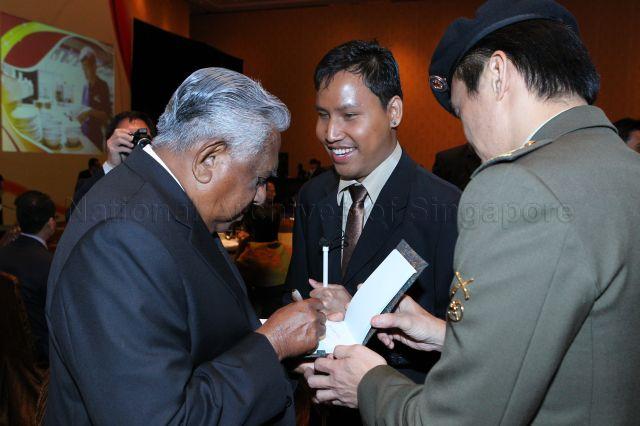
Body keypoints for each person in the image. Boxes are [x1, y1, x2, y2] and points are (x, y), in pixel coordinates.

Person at [304, 0, 640, 423]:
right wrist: (445, 334)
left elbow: (459, 418)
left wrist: (369, 382)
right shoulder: (626, 171)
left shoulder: (518, 186)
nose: (468, 136)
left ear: (497, 75)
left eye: (463, 110)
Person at [46, 68, 326, 425]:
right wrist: (273, 344)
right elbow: (162, 418)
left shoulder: (168, 201)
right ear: (209, 159)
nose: (259, 197)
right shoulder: (120, 239)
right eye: (258, 179)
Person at [286, 40, 460, 384]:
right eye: (323, 115)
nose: (330, 134)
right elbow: (293, 293)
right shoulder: (313, 197)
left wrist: (361, 318)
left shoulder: (445, 208)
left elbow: (462, 346)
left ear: (393, 112)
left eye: (349, 116)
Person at [0, 191, 56, 363]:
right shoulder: (49, 264)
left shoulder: (3, 252)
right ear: (51, 223)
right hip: (40, 351)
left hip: (7, 344)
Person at [67, 111, 156, 218]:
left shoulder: (161, 182)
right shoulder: (92, 183)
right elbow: (73, 218)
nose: (135, 142)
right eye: (127, 136)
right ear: (110, 142)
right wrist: (111, 166)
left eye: (142, 136)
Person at [77, 47, 111, 149]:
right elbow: (83, 108)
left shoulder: (103, 86)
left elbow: (106, 116)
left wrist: (90, 111)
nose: (84, 73)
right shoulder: (85, 87)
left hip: (95, 136)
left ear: (94, 66)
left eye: (86, 68)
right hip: (83, 132)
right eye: (83, 69)